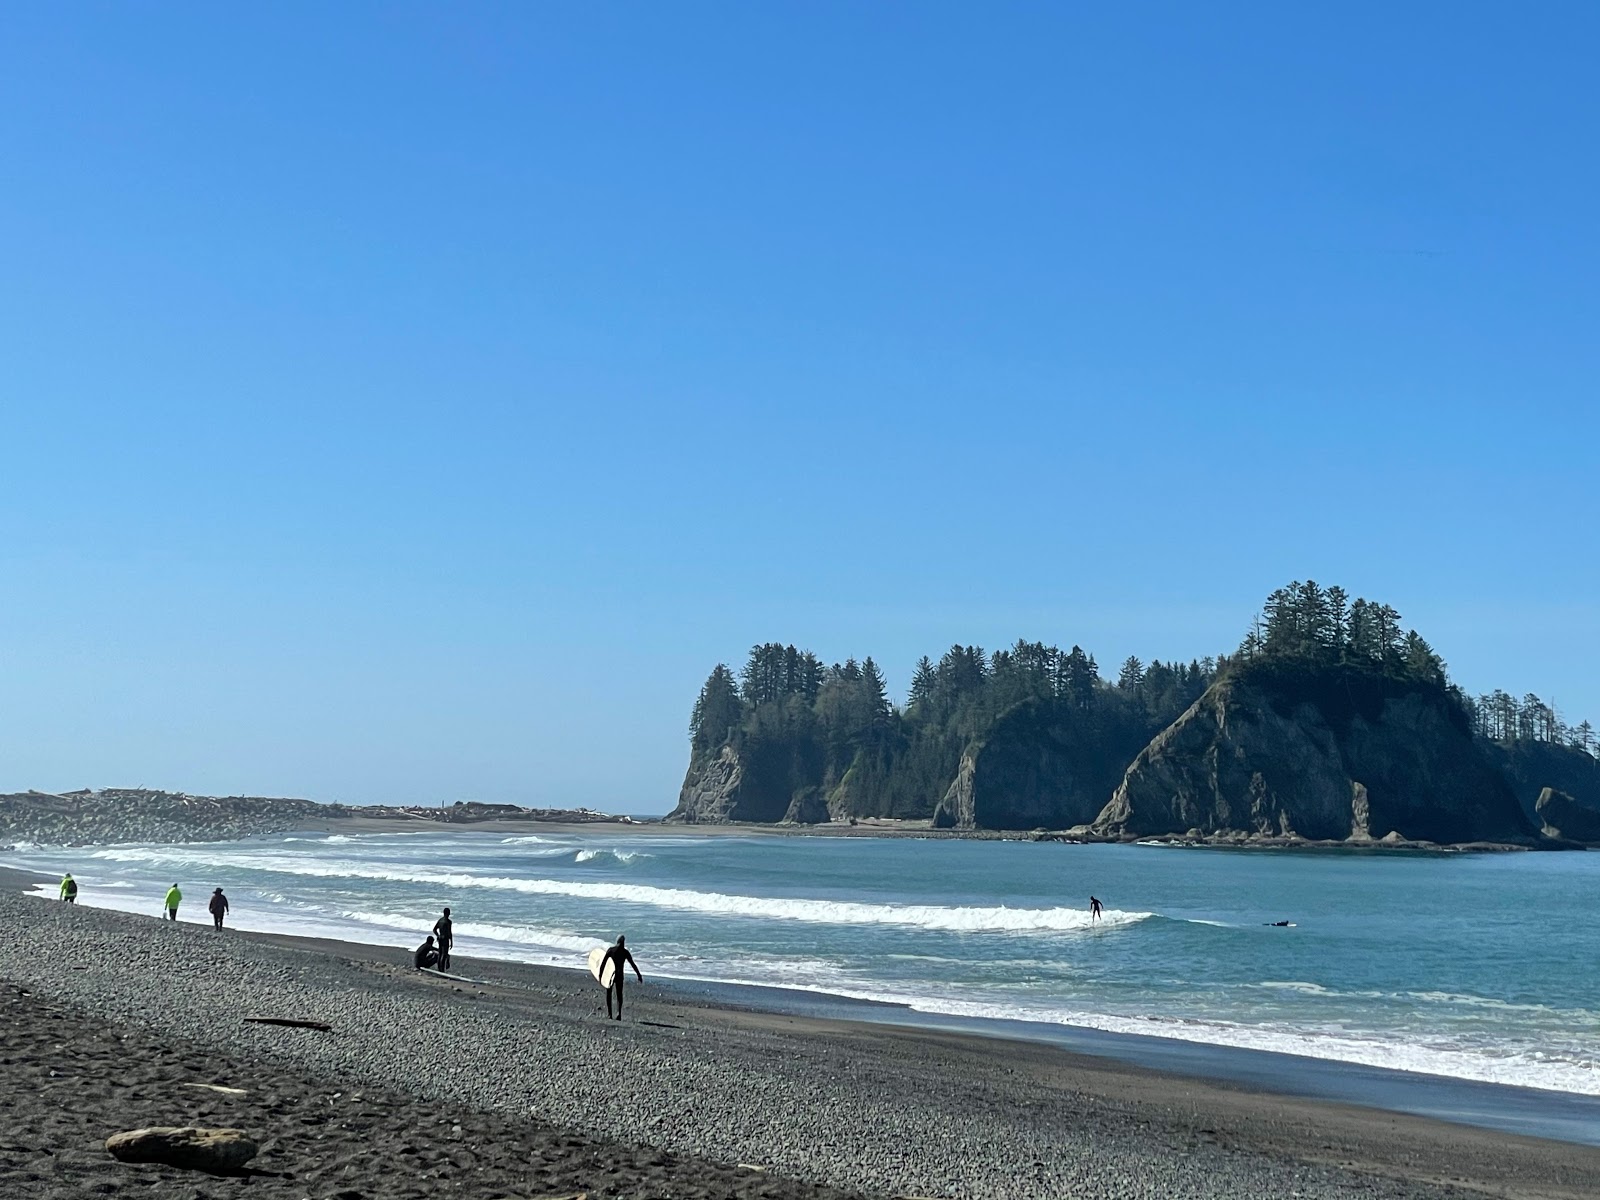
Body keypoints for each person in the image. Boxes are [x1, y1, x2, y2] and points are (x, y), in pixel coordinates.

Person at [600, 934, 643, 1021]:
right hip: (619, 975)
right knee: (619, 994)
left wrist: (600, 974)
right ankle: (619, 1013)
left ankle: (609, 1014)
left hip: (610, 975)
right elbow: (633, 964)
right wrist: (638, 975)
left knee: (609, 993)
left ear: (617, 941)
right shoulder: (625, 952)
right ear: (623, 942)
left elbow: (603, 963)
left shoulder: (611, 950)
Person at [432, 907, 454, 971]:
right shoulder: (448, 922)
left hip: (440, 939)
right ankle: (442, 969)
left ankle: (439, 968)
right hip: (445, 939)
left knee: (440, 954)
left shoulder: (440, 920)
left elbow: (434, 929)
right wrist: (451, 942)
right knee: (444, 954)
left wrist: (438, 935)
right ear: (448, 913)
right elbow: (450, 932)